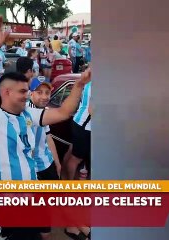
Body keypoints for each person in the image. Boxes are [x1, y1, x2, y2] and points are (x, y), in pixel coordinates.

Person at [0, 14, 91, 239]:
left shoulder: (28, 115)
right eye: (24, 91)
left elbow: (64, 112)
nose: (29, 96)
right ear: (6, 93)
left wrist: (80, 85)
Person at [28, 77, 61, 240]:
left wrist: (57, 162)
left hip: (46, 164)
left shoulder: (44, 112)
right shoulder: (25, 113)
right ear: (30, 94)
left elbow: (48, 137)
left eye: (47, 92)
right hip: (34, 170)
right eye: (39, 92)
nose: (44, 96)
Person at [62, 81, 92, 240]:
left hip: (85, 125)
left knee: (76, 155)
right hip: (85, 126)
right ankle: (68, 188)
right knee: (76, 157)